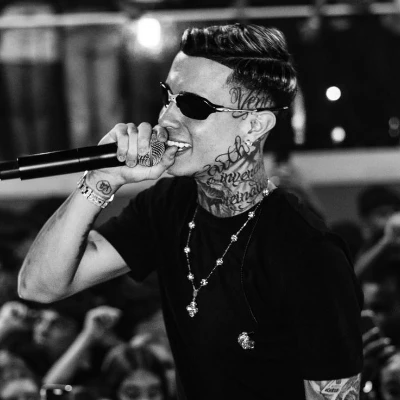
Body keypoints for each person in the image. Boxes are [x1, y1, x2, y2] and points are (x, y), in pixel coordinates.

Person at [18, 23, 363, 399]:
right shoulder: (168, 204)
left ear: (254, 125)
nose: (167, 118)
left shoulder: (306, 250)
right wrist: (102, 179)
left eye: (194, 106)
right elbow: (40, 286)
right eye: (168, 96)